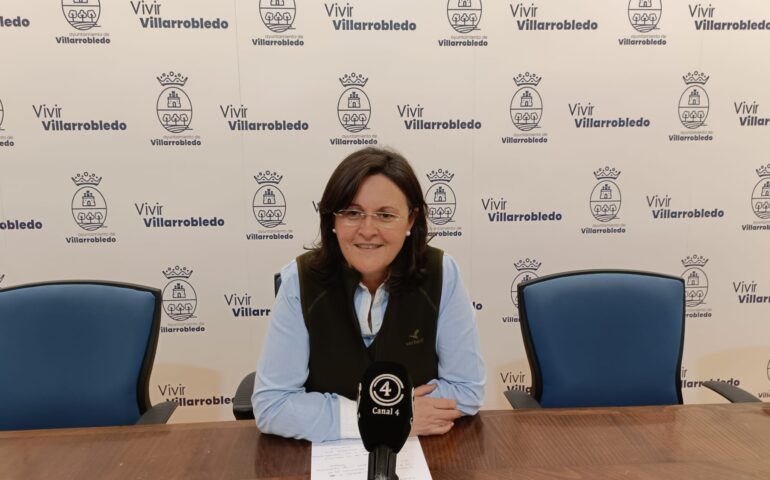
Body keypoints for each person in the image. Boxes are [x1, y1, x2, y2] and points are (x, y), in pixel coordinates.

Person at [252, 147, 485, 442]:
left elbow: (467, 389)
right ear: (332, 221)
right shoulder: (299, 281)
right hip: (326, 453)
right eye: (352, 213)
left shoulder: (442, 274)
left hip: (421, 450)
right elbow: (272, 405)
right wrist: (391, 415)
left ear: (411, 220)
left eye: (385, 215)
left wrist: (335, 415)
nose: (367, 230)